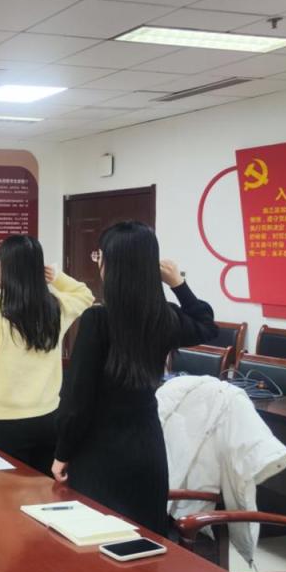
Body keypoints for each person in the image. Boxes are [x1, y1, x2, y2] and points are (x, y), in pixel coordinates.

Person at [52, 221, 217, 535]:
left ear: (111, 265)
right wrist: (178, 284)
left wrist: (62, 452)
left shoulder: (98, 319)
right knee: (144, 542)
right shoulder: (164, 316)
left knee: (95, 543)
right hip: (146, 449)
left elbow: (77, 400)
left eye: (99, 256)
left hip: (98, 452)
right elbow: (207, 325)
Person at [0, 235, 94, 475]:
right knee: (43, 490)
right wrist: (57, 276)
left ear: (4, 267)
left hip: (2, 422)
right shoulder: (56, 306)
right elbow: (85, 295)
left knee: (2, 492)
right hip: (48, 417)